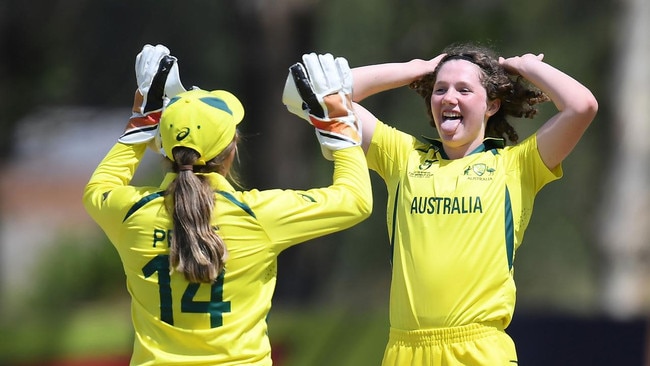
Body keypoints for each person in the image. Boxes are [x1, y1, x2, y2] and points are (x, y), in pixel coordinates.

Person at [283, 43, 598, 365]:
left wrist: (527, 66)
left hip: (477, 350)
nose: (449, 98)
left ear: (492, 105)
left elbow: (581, 106)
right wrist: (413, 68)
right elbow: (310, 92)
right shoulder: (402, 157)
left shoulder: (516, 166)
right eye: (440, 89)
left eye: (464, 90)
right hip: (404, 349)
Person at [83, 44, 371, 365]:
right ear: (232, 150)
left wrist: (141, 121)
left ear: (163, 149)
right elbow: (355, 200)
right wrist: (337, 124)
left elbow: (98, 189)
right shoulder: (258, 215)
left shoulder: (133, 214)